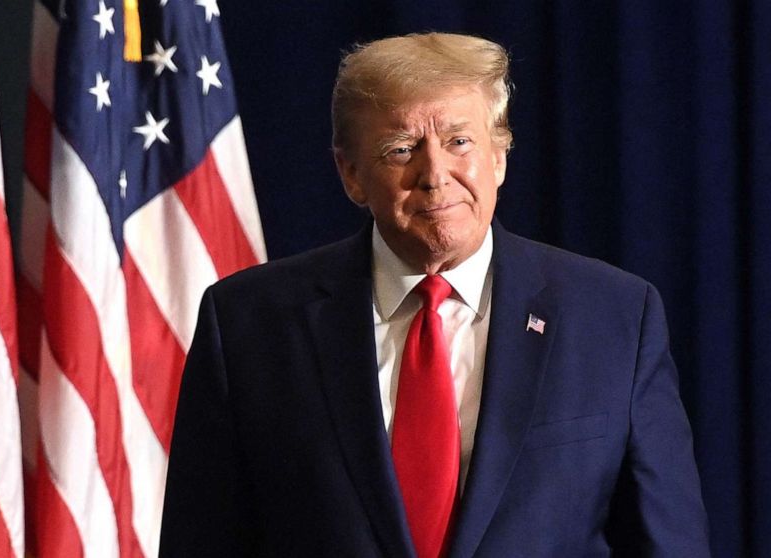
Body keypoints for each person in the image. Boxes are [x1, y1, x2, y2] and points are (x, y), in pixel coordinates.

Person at [159, 32, 710, 557]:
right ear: (350, 174)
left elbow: (667, 542)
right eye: (401, 149)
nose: (435, 175)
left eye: (459, 142)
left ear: (499, 155)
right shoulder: (249, 322)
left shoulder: (613, 317)